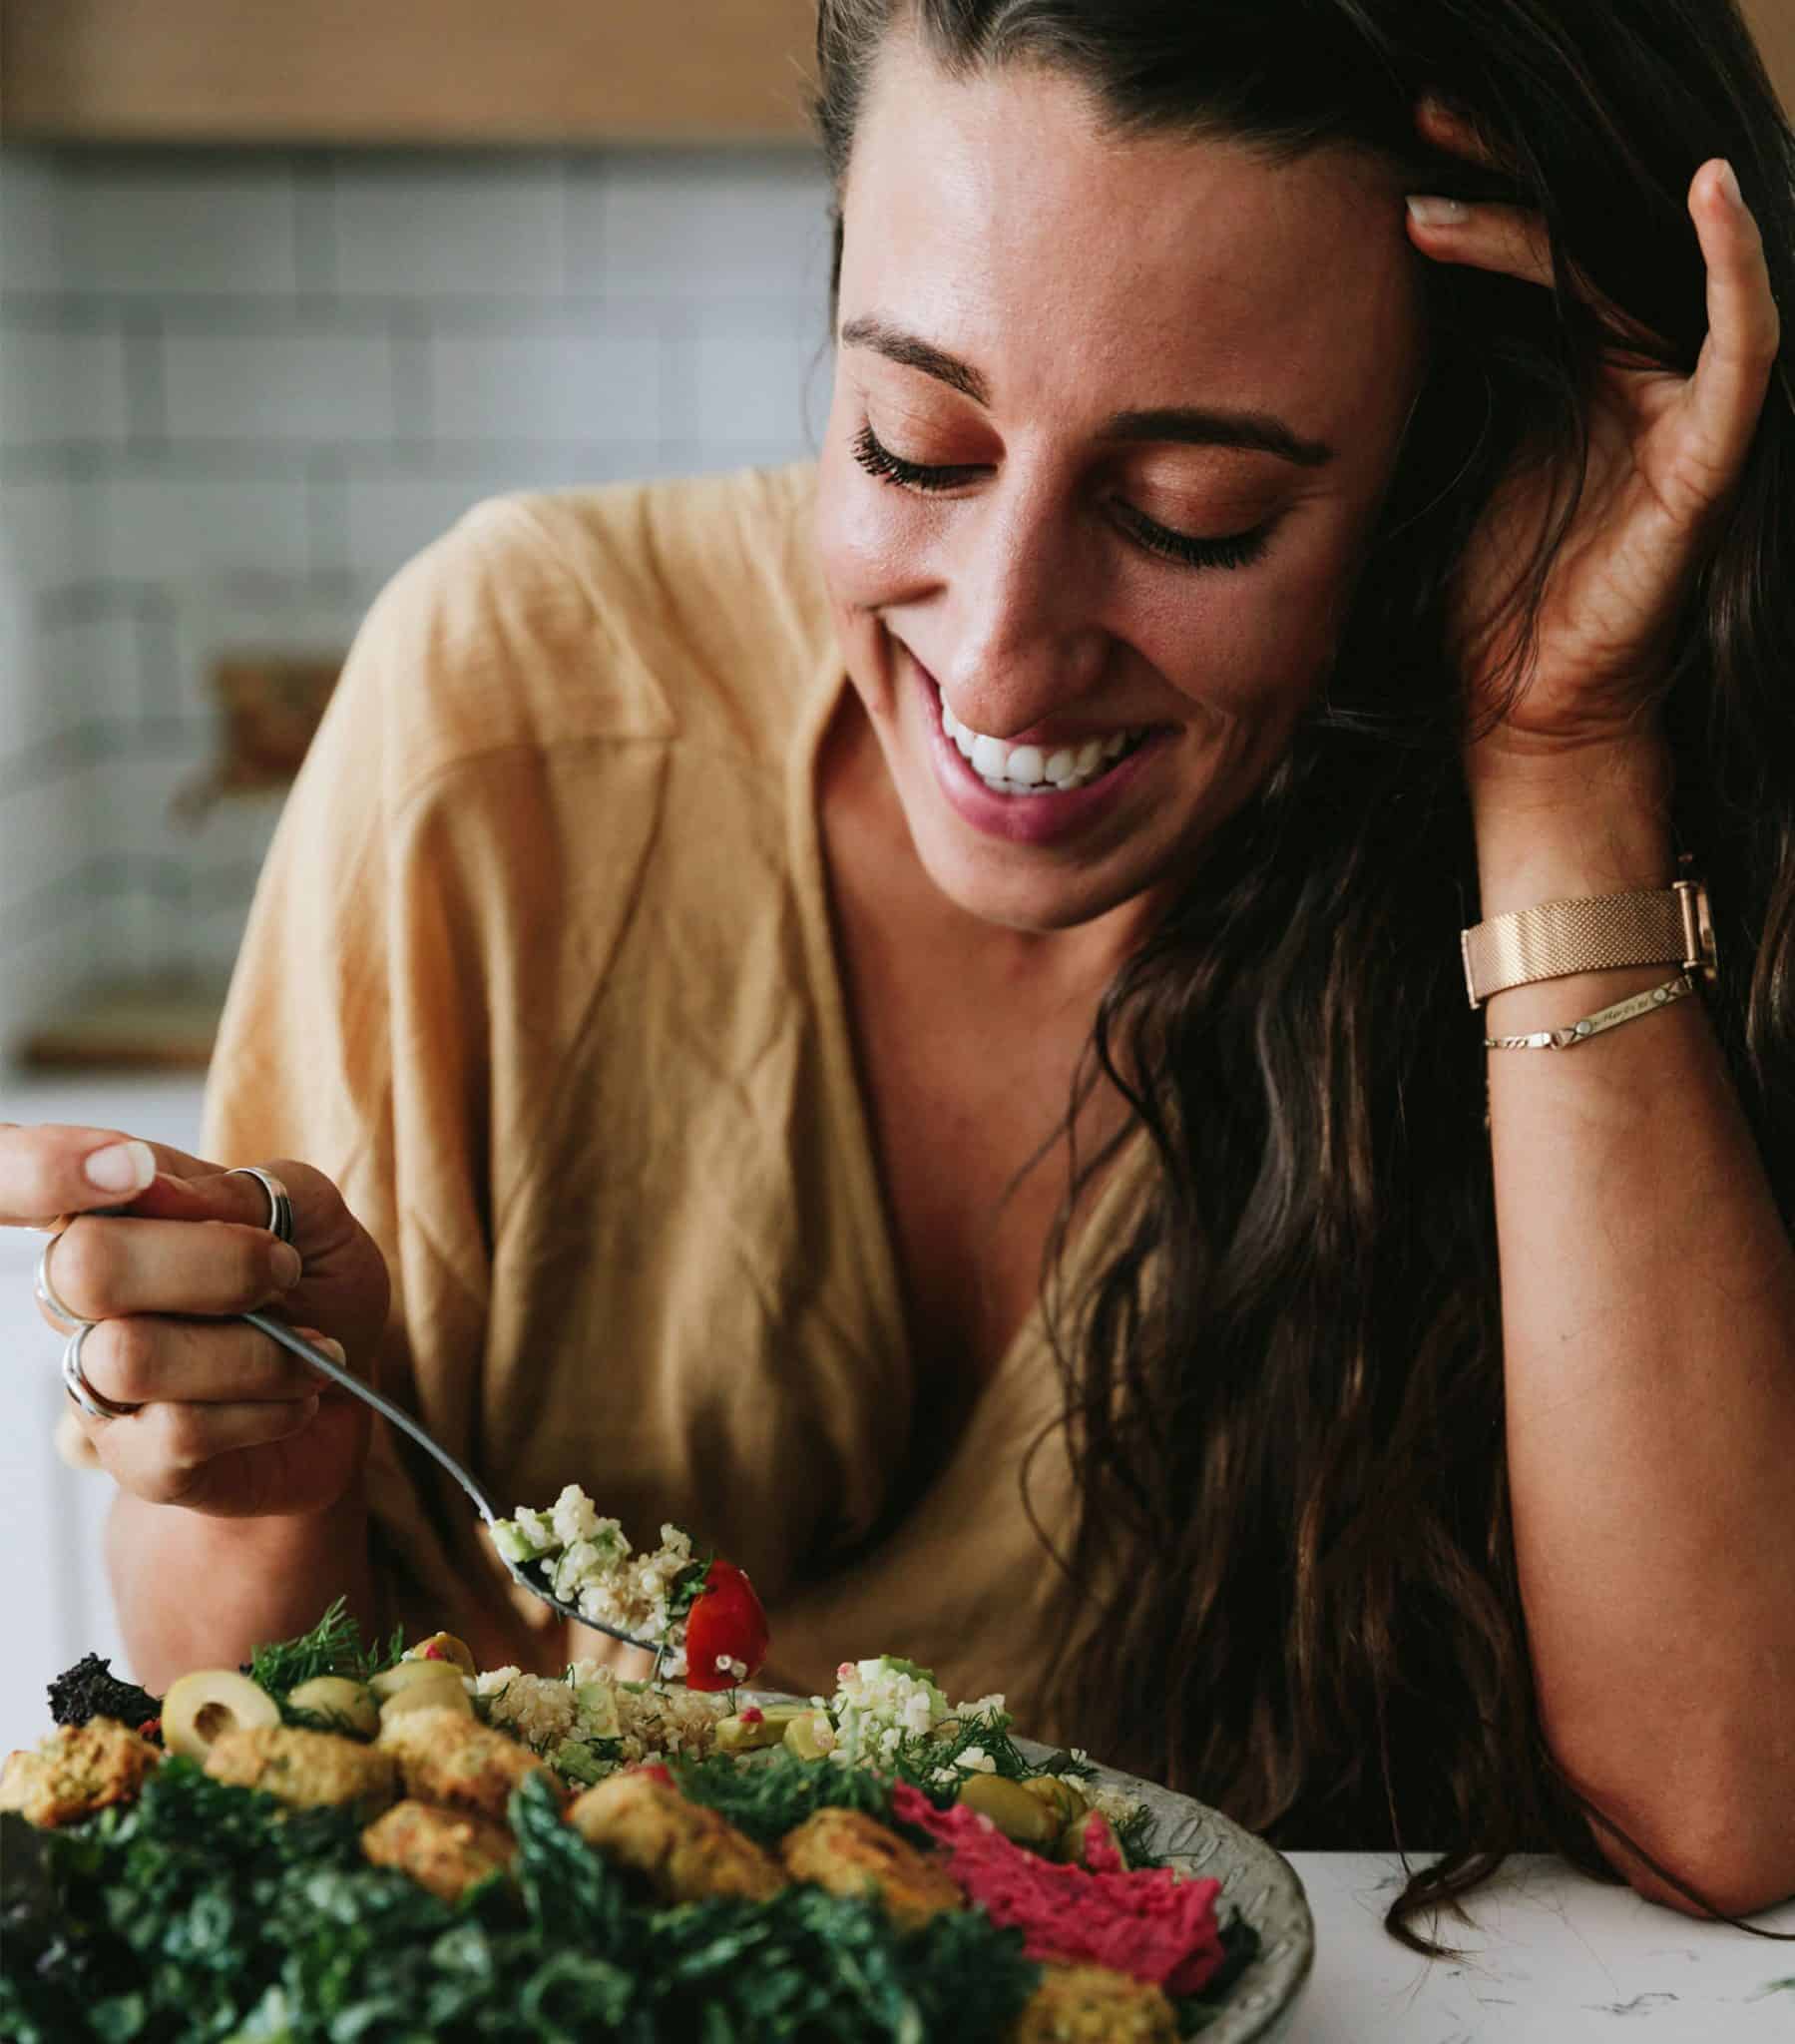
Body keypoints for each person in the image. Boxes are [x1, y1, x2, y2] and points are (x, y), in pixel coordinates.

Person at [5, 0, 1792, 1948]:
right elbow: (271, 1766)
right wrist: (257, 1485)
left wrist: (1559, 765)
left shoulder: (1590, 811)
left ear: (1459, 468)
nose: (1007, 660)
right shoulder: (506, 721)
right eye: (913, 442)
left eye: (1196, 514)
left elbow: (1729, 1804)